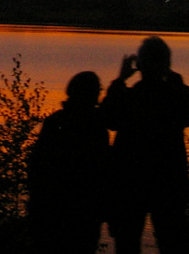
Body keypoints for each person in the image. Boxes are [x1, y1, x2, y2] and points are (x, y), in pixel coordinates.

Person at [100, 35, 189, 254]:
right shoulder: (175, 98)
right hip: (168, 184)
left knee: (127, 244)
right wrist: (173, 78)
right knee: (173, 242)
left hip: (130, 185)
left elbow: (107, 117)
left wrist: (120, 81)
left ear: (139, 65)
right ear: (166, 64)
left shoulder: (130, 98)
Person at [27, 70, 111, 254]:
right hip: (80, 209)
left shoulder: (55, 122)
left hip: (55, 206)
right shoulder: (96, 126)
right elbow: (103, 169)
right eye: (96, 91)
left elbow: (36, 164)